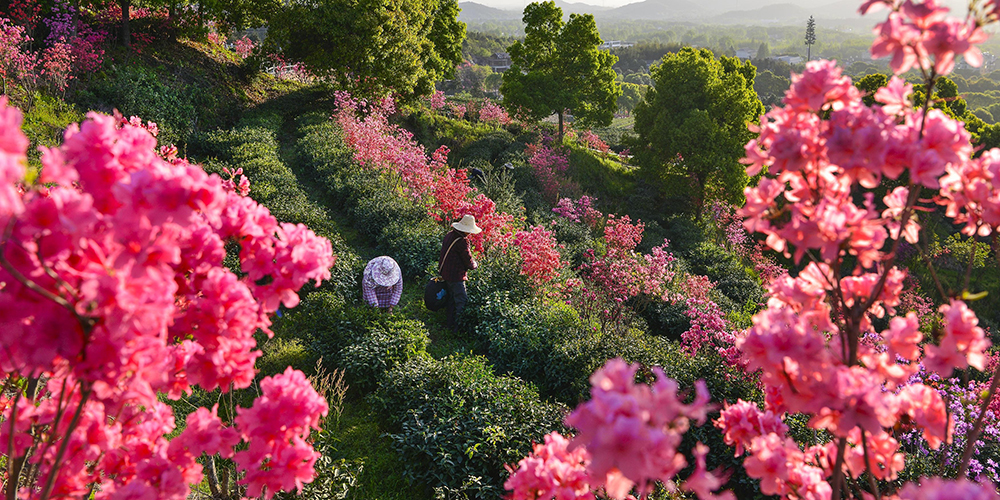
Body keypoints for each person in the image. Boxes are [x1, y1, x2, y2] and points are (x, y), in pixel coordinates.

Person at [439, 214, 480, 331]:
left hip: (445, 273)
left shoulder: (449, 235)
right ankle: (458, 328)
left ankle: (449, 324)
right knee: (461, 301)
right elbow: (468, 260)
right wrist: (475, 265)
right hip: (455, 276)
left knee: (451, 299)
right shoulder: (462, 241)